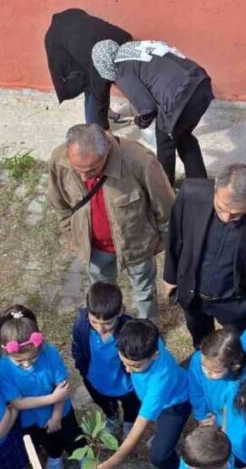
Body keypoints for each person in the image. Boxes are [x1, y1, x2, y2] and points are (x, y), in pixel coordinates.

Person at [48, 123, 175, 322]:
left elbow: (165, 205)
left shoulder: (139, 161)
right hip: (94, 248)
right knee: (101, 290)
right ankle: (110, 323)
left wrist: (161, 241)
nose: (83, 177)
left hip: (137, 245)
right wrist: (71, 235)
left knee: (143, 291)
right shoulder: (59, 160)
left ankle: (146, 327)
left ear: (107, 148)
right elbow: (59, 203)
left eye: (91, 170)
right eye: (78, 170)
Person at [164, 164, 246, 347]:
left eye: (236, 214)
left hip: (234, 304)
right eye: (220, 208)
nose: (225, 218)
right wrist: (170, 276)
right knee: (201, 342)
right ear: (215, 188)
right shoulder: (191, 193)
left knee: (231, 350)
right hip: (193, 294)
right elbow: (175, 235)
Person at [92, 319, 191, 469]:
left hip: (175, 405)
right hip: (162, 399)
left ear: (155, 355)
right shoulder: (143, 338)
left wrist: (115, 460)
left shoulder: (159, 381)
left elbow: (140, 425)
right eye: (124, 362)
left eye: (135, 366)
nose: (129, 370)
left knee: (159, 455)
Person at [91, 38, 214, 184]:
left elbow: (148, 109)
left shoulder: (122, 71)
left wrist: (139, 120)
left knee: (165, 141)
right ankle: (199, 183)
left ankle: (164, 187)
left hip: (182, 96)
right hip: (200, 83)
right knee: (181, 134)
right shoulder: (132, 49)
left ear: (103, 65)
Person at [0, 306, 80, 469]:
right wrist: (52, 398)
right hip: (32, 418)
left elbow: (61, 386)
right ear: (6, 352)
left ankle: (82, 454)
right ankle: (55, 455)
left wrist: (56, 416)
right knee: (45, 438)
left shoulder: (49, 352)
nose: (27, 364)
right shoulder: (3, 368)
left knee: (72, 434)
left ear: (39, 345)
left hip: (61, 410)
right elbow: (16, 402)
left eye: (32, 358)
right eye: (20, 362)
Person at [70, 281, 139, 438]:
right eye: (94, 322)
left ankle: (129, 420)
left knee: (131, 405)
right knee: (103, 402)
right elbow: (77, 347)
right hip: (95, 380)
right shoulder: (81, 323)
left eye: (107, 323)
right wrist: (82, 369)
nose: (100, 328)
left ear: (120, 312)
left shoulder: (130, 329)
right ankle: (112, 416)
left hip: (126, 384)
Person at [44, 8, 133, 129]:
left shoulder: (125, 39)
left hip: (78, 26)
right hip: (61, 40)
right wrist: (105, 133)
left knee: (103, 79)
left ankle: (105, 113)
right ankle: (94, 129)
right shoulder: (98, 65)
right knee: (92, 87)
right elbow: (100, 91)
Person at [187, 328, 246, 428]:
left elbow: (236, 412)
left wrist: (218, 421)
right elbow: (196, 392)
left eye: (216, 371)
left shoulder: (241, 382)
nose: (207, 373)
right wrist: (202, 417)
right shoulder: (197, 360)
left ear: (234, 366)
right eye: (204, 366)